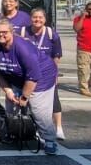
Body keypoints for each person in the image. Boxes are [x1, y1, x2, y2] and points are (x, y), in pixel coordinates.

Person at [0, 19, 58, 155]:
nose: (1, 35)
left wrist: (25, 97)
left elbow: (33, 77)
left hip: (41, 78)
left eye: (5, 32)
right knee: (11, 106)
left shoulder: (22, 48)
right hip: (16, 78)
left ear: (12, 32)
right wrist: (8, 91)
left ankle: (49, 140)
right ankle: (15, 132)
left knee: (39, 111)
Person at [21, 8, 66, 140]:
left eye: (40, 17)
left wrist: (55, 74)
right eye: (35, 17)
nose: (37, 20)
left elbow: (56, 56)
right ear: (31, 19)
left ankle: (58, 128)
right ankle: (36, 128)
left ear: (45, 19)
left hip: (47, 74)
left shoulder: (52, 34)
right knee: (32, 103)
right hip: (29, 74)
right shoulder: (24, 32)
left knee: (54, 101)